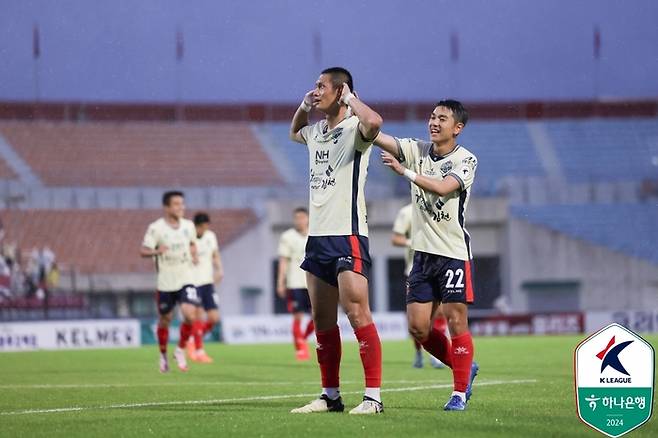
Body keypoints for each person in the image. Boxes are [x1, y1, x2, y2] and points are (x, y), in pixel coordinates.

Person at [289, 67, 384, 415]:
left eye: (320, 86)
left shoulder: (355, 129)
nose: (315, 91)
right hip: (317, 239)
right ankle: (331, 396)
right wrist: (303, 105)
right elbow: (294, 131)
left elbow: (375, 123)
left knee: (358, 313)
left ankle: (373, 398)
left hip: (348, 235)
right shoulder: (315, 131)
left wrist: (351, 100)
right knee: (323, 321)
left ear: (341, 90)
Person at [374, 99, 479, 411]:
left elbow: (444, 188)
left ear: (457, 128)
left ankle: (459, 393)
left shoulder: (466, 160)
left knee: (455, 321)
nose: (434, 122)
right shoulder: (417, 149)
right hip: (421, 256)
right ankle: (464, 368)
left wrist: (403, 171)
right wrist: (352, 106)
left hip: (453, 254)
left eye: (442, 118)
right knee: (419, 329)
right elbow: (380, 135)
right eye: (432, 116)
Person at [140, 191, 199, 373]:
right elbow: (143, 250)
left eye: (182, 203)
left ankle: (180, 349)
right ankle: (163, 355)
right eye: (176, 204)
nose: (181, 207)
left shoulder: (189, 225)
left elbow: (192, 243)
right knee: (166, 319)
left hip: (186, 277)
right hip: (166, 280)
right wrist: (157, 251)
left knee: (190, 315)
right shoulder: (156, 228)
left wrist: (194, 253)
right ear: (166, 207)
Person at [392, 203, 447, 369]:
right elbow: (396, 238)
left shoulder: (441, 207)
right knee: (418, 321)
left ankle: (436, 355)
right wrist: (413, 241)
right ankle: (418, 353)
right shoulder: (406, 211)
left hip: (439, 269)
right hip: (414, 271)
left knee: (439, 314)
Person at [277, 207, 314, 361]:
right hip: (295, 282)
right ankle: (300, 348)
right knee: (297, 316)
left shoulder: (314, 235)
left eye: (302, 217)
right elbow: (283, 261)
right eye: (296, 218)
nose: (299, 220)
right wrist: (280, 282)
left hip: (313, 282)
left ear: (308, 219)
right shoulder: (287, 237)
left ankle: (303, 339)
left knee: (317, 317)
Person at [186, 212, 224, 364]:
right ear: (196, 226)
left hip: (207, 282)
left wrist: (219, 269)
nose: (205, 230)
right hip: (193, 282)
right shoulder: (188, 238)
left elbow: (215, 255)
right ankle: (199, 351)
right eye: (202, 227)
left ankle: (191, 339)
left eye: (207, 227)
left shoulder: (210, 236)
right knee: (198, 315)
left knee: (214, 318)